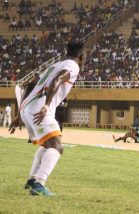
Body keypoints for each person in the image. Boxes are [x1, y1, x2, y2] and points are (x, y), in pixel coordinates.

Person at [9, 42, 86, 196]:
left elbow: (30, 84)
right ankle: (39, 185)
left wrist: (19, 113)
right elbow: (57, 80)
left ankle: (32, 180)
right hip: (39, 107)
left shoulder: (55, 64)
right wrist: (46, 105)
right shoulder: (73, 66)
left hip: (27, 107)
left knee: (46, 145)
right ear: (82, 56)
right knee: (57, 147)